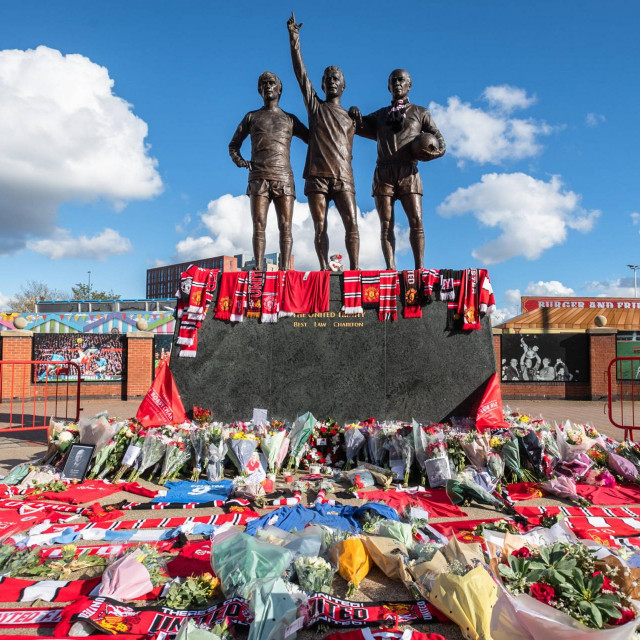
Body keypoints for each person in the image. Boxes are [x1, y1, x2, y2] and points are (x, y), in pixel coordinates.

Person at [349, 70, 445, 269]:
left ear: (409, 85)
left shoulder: (421, 112)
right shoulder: (381, 115)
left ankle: (419, 268)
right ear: (388, 86)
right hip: (384, 173)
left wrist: (434, 153)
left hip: (408, 172)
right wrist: (354, 112)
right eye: (393, 81)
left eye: (401, 80)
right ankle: (390, 268)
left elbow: (439, 139)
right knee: (386, 224)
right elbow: (356, 125)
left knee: (416, 220)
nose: (397, 84)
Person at [287, 12, 360, 270]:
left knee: (352, 221)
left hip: (343, 176)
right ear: (322, 84)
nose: (331, 82)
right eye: (327, 79)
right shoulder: (315, 107)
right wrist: (294, 38)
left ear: (343, 86)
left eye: (336, 79)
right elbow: (300, 73)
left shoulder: (352, 118)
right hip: (317, 176)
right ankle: (323, 268)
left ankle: (354, 268)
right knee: (320, 226)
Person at [229, 71, 308, 270]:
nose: (267, 86)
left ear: (280, 89)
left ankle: (285, 270)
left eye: (271, 83)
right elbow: (233, 144)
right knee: (259, 224)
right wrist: (239, 160)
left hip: (283, 177)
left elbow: (313, 140)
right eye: (263, 84)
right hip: (258, 178)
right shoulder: (252, 117)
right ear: (259, 90)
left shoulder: (290, 119)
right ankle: (258, 268)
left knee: (286, 226)